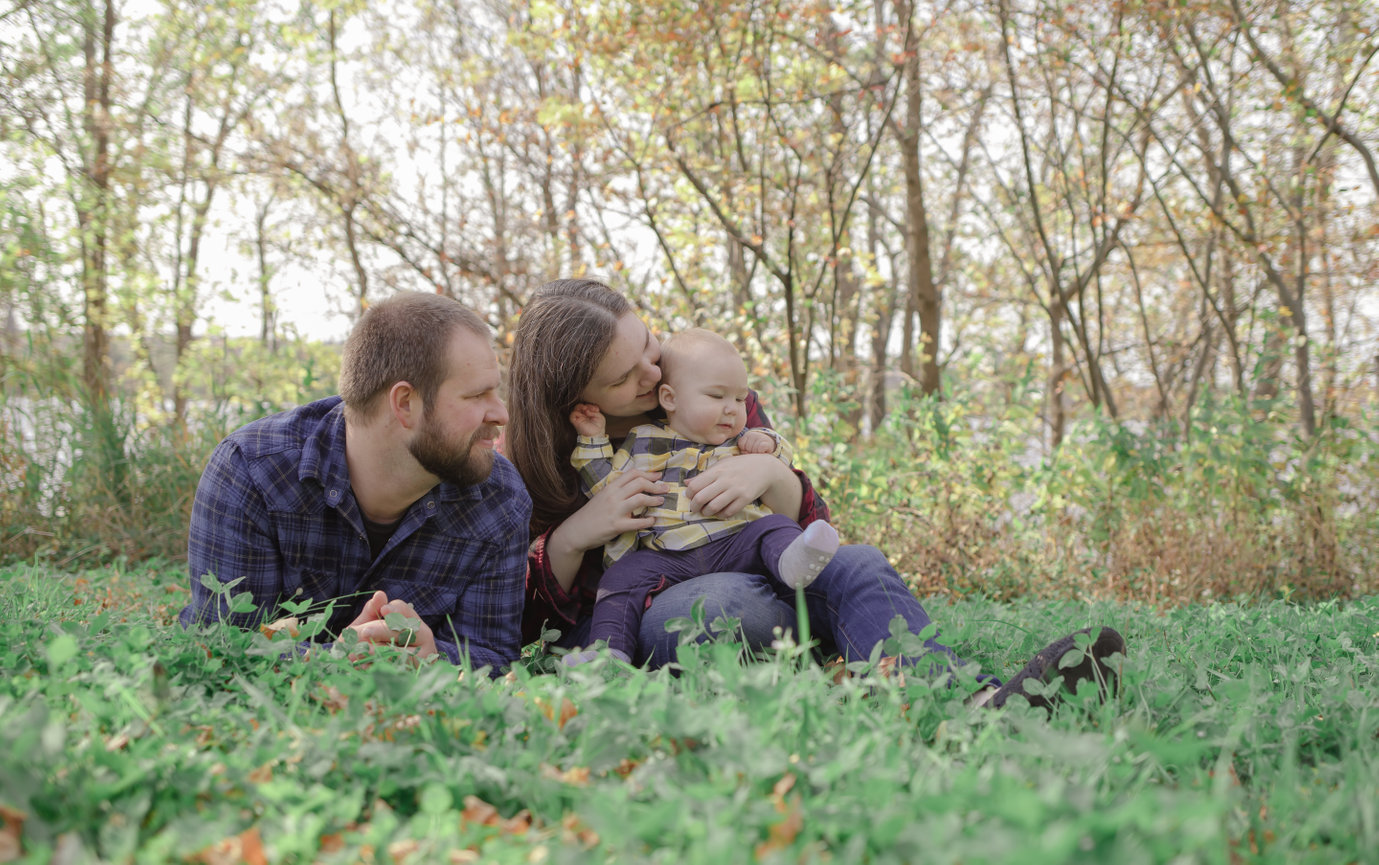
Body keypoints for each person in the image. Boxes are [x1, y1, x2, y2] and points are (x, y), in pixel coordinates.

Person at [506, 278, 1126, 711]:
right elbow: (527, 619)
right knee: (720, 607)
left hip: (767, 567)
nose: (655, 372)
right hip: (670, 605)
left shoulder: (710, 392)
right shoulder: (547, 455)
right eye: (627, 376)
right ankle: (852, 649)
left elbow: (809, 528)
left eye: (648, 344)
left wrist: (773, 477)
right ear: (578, 400)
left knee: (859, 563)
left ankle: (974, 701)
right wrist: (577, 532)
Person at [179, 292, 532, 674]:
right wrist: (333, 659)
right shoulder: (253, 471)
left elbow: (495, 656)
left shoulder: (499, 499)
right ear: (404, 403)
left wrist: (433, 660)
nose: (501, 414)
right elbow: (220, 646)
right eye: (478, 394)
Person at [566, 327, 842, 663]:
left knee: (771, 529)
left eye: (740, 399)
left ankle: (792, 564)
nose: (732, 409)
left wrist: (766, 449)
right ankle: (608, 654)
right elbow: (607, 489)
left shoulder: (741, 439)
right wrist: (593, 441)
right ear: (670, 398)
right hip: (666, 554)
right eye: (716, 397)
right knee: (620, 578)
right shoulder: (643, 441)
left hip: (735, 543)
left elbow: (782, 459)